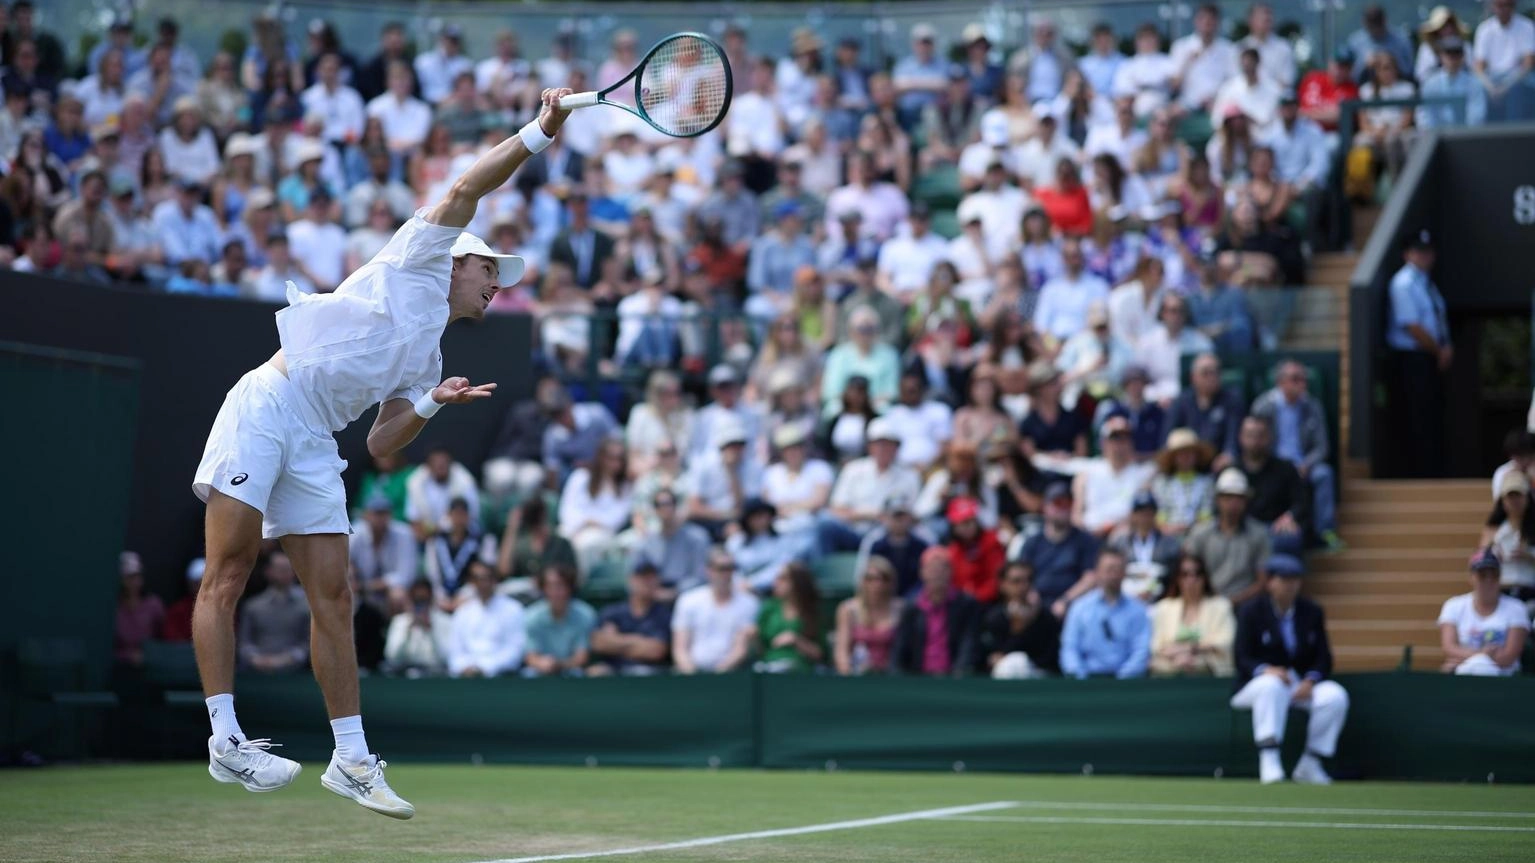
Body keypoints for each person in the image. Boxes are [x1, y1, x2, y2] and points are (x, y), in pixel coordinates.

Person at [188, 87, 576, 815]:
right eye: (489, 268)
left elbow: (380, 443)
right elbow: (465, 185)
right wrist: (541, 129)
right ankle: (225, 738)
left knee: (334, 595)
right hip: (267, 404)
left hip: (314, 440)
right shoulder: (419, 254)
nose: (497, 282)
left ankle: (352, 758)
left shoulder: (428, 355)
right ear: (457, 261)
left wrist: (432, 402)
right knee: (229, 571)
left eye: (501, 275)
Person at [1230, 554, 1349, 785]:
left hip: (1297, 685)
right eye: (1284, 579)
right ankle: (1270, 759)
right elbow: (1241, 657)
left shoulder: (1312, 611)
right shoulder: (1251, 611)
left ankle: (1311, 763)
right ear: (1270, 582)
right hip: (1255, 685)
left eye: (1295, 579)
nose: (1290, 585)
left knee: (1335, 696)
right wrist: (1266, 670)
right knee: (1271, 686)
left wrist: (1311, 680)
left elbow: (1323, 657)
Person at [1252, 360, 1340, 549]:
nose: (1302, 384)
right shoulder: (1263, 406)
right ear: (1281, 382)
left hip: (1304, 465)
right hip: (1273, 465)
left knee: (1324, 474)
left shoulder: (1312, 406)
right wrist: (1279, 468)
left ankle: (1325, 532)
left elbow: (1322, 447)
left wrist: (1306, 465)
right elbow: (1255, 442)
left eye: (1304, 379)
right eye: (1295, 379)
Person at [1386, 230, 1450, 478]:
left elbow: (1437, 319)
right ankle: (1419, 475)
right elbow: (1412, 325)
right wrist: (1439, 350)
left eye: (1428, 251)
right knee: (1417, 419)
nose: (1424, 256)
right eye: (1418, 251)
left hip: (1430, 358)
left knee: (1431, 417)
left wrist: (1446, 346)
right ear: (1407, 254)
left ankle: (1432, 471)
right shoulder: (1403, 283)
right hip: (1413, 360)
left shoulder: (1426, 283)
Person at [817, 418, 922, 555]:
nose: (883, 449)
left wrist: (891, 520)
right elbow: (837, 510)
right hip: (855, 532)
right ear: (869, 447)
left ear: (896, 447)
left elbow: (915, 514)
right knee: (824, 523)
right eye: (878, 444)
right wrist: (870, 514)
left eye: (888, 444)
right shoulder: (853, 469)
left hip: (891, 536)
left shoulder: (909, 475)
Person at [1059, 548, 1150, 679]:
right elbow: (1070, 649)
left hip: (1127, 685)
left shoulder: (1138, 610)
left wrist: (1121, 680)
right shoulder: (1080, 608)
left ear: (1124, 573)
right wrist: (1080, 678)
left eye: (1118, 570)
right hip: (1086, 682)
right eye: (1109, 569)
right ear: (1097, 572)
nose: (1113, 575)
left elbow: (1141, 652)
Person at [1185, 468, 1272, 604]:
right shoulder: (1200, 533)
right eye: (1228, 497)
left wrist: (1233, 601)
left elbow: (1263, 581)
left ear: (1245, 501)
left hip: (1246, 604)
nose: (1233, 503)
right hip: (1206, 601)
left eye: (1239, 498)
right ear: (1218, 500)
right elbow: (1188, 573)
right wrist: (1212, 600)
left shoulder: (1259, 534)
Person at [891, 547, 982, 676]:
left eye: (942, 568)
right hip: (918, 679)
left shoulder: (967, 605)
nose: (937, 573)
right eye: (932, 568)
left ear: (951, 571)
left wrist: (960, 672)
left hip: (954, 678)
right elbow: (900, 647)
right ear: (922, 572)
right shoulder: (911, 607)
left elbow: (969, 643)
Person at [1439, 548, 1530, 676]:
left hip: (1503, 678)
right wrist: (1483, 655)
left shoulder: (1516, 608)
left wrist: (1468, 658)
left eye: (1494, 575)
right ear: (1471, 578)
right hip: (1462, 674)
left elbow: (1508, 657)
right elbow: (1449, 648)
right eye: (1482, 575)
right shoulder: (1453, 606)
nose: (1488, 580)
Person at [1019, 483, 1101, 620]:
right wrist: (1029, 594)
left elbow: (1091, 577)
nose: (1063, 508)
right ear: (1045, 507)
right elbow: (1022, 574)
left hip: (1074, 605)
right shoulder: (1032, 542)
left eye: (1068, 503)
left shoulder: (1086, 541)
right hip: (1036, 603)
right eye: (1058, 503)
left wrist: (1066, 600)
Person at [671, 549, 761, 674]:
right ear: (708, 570)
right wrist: (692, 676)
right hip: (692, 675)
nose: (726, 574)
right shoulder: (687, 600)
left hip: (733, 675)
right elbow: (680, 648)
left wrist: (717, 676)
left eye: (730, 568)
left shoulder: (749, 603)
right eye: (721, 568)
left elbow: (740, 650)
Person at [1150, 554, 1235, 676]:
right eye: (1185, 574)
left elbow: (1225, 642)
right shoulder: (1164, 607)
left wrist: (1191, 649)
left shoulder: (1221, 606)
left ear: (1205, 578)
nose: (1191, 579)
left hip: (1211, 670)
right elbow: (1156, 646)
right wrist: (1178, 658)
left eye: (1197, 574)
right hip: (1169, 669)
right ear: (1177, 579)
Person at [1073, 416, 1158, 539]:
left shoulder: (1143, 475)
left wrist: (1112, 528)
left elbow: (1144, 514)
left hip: (1123, 535)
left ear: (1131, 442)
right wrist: (1083, 531)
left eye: (1124, 439)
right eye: (1115, 438)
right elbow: (1077, 514)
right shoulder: (1087, 473)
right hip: (1089, 534)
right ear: (1103, 443)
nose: (1119, 445)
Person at [446, 560, 526, 680]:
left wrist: (486, 667)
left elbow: (515, 650)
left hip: (501, 678)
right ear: (471, 582)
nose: (482, 583)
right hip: (466, 678)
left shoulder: (512, 609)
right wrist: (465, 667)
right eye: (477, 579)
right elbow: (455, 651)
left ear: (494, 580)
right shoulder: (462, 612)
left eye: (486, 578)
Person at [1164, 352, 1245, 470]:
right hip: (1186, 464)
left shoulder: (1232, 400)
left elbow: (1233, 436)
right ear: (1193, 377)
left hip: (1219, 465)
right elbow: (1168, 437)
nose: (1212, 377)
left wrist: (1229, 454)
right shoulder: (1181, 402)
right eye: (1206, 373)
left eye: (1216, 372)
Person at [981, 561, 1060, 679]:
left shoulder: (1045, 617)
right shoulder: (993, 617)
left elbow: (1049, 659)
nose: (1023, 586)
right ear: (1003, 585)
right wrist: (1017, 628)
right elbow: (992, 655)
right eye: (1016, 581)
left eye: (1028, 580)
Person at [238, 553, 310, 674]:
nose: (285, 573)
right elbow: (244, 642)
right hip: (256, 671)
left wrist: (285, 660)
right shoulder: (253, 606)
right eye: (280, 569)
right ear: (269, 572)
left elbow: (308, 644)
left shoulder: (306, 606)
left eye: (288, 569)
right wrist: (256, 659)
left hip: (296, 673)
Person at [522, 565, 597, 678]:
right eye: (550, 586)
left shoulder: (585, 615)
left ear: (570, 588)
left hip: (572, 671)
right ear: (544, 589)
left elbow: (582, 657)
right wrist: (542, 663)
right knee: (528, 674)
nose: (556, 592)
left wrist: (559, 665)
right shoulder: (531, 616)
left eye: (560, 586)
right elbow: (530, 656)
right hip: (540, 671)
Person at [422, 498, 497, 610]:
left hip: (471, 596)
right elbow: (432, 573)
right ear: (448, 515)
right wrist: (440, 596)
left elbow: (486, 572)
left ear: (468, 516)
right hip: (440, 597)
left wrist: (466, 596)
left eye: (463, 514)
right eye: (456, 514)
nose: (459, 519)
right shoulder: (436, 541)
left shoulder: (482, 540)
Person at [348, 494, 420, 611]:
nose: (380, 519)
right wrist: (351, 574)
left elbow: (406, 576)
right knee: (344, 593)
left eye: (384, 513)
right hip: (359, 588)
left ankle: (397, 628)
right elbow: (343, 564)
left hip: (386, 590)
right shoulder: (354, 535)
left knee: (398, 595)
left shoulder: (404, 534)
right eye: (376, 513)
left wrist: (371, 586)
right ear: (366, 515)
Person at [834, 556, 904, 675]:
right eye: (870, 579)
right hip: (856, 675)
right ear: (862, 581)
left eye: (883, 579)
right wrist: (848, 673)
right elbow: (841, 652)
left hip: (890, 677)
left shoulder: (901, 609)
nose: (877, 584)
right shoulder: (848, 610)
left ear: (891, 583)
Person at [1109, 490, 1182, 603]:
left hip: (1160, 600)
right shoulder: (1120, 542)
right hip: (1125, 599)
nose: (1144, 517)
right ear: (1132, 515)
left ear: (1155, 514)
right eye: (1140, 512)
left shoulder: (1169, 543)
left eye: (1149, 512)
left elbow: (1173, 575)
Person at [753, 563, 825, 673]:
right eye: (776, 578)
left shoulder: (812, 612)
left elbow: (821, 654)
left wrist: (796, 640)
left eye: (782, 579)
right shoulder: (769, 608)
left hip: (800, 671)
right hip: (769, 667)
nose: (776, 583)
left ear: (797, 583)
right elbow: (760, 646)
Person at [1472, 0, 1535, 123]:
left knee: (1519, 89)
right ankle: (1477, 130)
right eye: (1500, 5)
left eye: (1508, 4)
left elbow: (1528, 64)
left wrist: (1506, 86)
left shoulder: (1526, 26)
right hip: (1492, 79)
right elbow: (1479, 67)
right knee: (1475, 87)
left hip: (1518, 78)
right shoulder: (1484, 29)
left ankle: (1516, 130)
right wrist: (1490, 87)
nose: (1504, 9)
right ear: (1493, 7)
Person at [1150, 428, 1216, 537]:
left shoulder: (1207, 483)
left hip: (1198, 536)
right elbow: (1159, 518)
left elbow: (1206, 516)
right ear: (1173, 457)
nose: (1186, 456)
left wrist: (1190, 529)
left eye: (1190, 452)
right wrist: (1171, 529)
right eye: (1181, 453)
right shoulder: (1161, 483)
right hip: (1168, 536)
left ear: (1196, 455)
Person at [383, 579, 452, 676]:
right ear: (410, 599)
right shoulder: (399, 622)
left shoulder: (444, 621)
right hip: (405, 675)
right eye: (417, 600)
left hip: (435, 675)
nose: (420, 605)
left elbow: (447, 657)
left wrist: (431, 630)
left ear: (431, 599)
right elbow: (392, 656)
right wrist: (407, 630)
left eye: (424, 600)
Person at [115, 552, 165, 667]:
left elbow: (163, 639)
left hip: (151, 668)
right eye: (129, 577)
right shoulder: (114, 608)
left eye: (137, 575)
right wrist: (128, 656)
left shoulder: (154, 605)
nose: (134, 581)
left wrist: (149, 655)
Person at [1347, 5, 1414, 79]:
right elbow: (1351, 76)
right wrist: (1364, 64)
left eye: (1378, 26)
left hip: (1398, 85)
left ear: (1385, 21)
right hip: (1364, 86)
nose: (1375, 31)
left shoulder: (1401, 39)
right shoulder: (1355, 41)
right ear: (1364, 23)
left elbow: (1409, 71)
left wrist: (1391, 61)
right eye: (1371, 27)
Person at [161, 559, 205, 643]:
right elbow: (171, 638)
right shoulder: (178, 610)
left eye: (203, 583)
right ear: (190, 584)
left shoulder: (222, 611)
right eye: (197, 583)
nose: (200, 587)